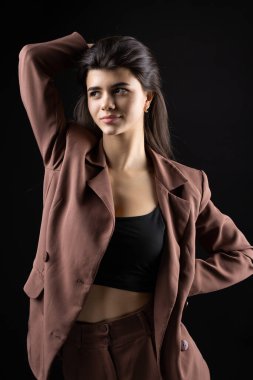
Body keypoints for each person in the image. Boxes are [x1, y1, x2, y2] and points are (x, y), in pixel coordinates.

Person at [18, 31, 253, 380]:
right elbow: (31, 60)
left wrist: (176, 279)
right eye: (95, 92)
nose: (106, 104)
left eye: (120, 90)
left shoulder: (185, 185)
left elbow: (243, 255)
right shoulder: (66, 153)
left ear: (147, 99)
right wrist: (93, 51)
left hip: (147, 348)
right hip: (76, 348)